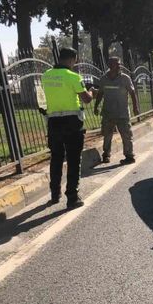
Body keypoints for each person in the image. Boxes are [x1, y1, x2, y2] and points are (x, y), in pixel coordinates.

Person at [43, 47, 96, 209]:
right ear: (73, 59)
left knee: (56, 158)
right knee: (73, 159)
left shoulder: (46, 76)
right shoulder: (74, 77)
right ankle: (72, 197)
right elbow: (86, 99)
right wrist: (92, 92)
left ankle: (55, 193)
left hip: (53, 123)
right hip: (72, 123)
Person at [94, 57, 139, 165]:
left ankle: (129, 156)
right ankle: (106, 155)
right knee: (107, 135)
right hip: (108, 113)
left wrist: (135, 107)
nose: (119, 66)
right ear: (110, 65)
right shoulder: (104, 79)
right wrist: (96, 106)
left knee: (126, 135)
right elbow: (100, 93)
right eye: (116, 64)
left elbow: (132, 93)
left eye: (119, 64)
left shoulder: (125, 78)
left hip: (122, 113)